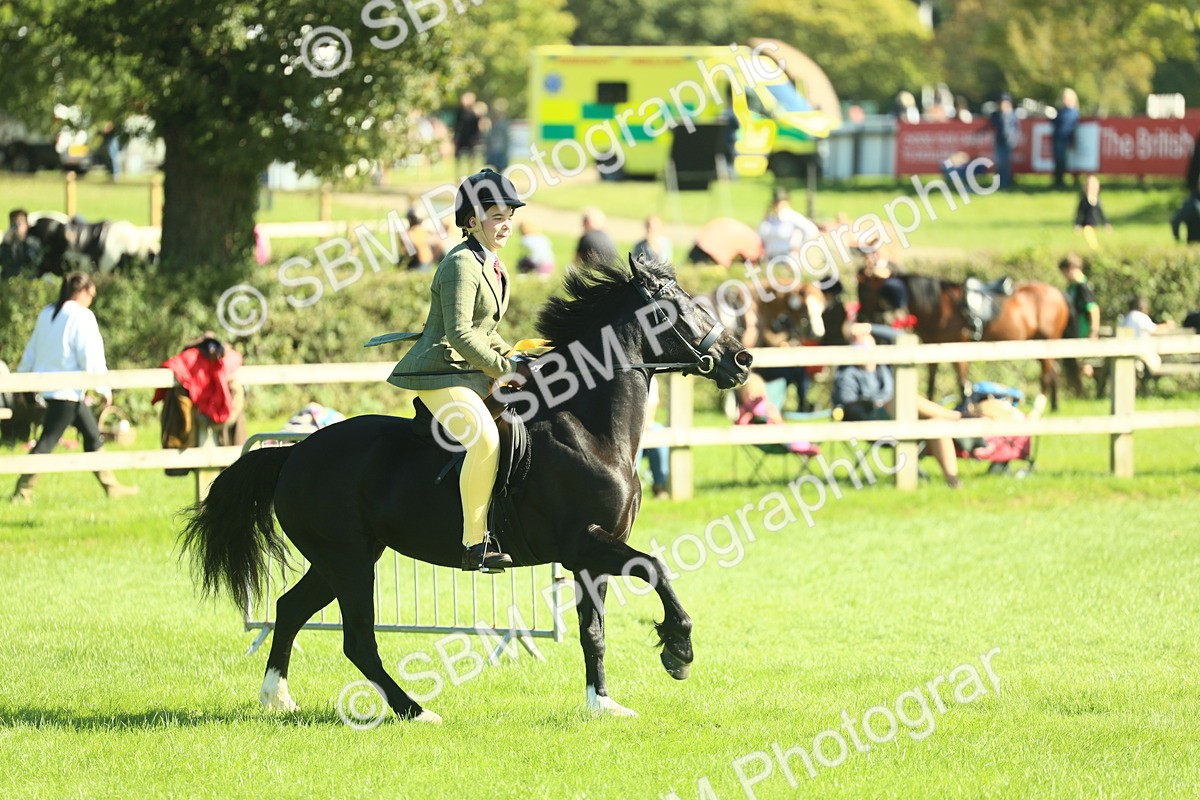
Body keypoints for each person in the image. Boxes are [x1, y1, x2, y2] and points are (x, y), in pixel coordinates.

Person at [388, 169, 527, 572]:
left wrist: (520, 361)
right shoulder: (461, 264)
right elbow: (461, 334)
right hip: (440, 372)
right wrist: (504, 369)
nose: (506, 225)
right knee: (484, 438)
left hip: (466, 371)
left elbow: (488, 331)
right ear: (471, 221)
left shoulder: (493, 264)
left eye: (509, 217)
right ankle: (474, 544)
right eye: (497, 216)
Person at [11, 272, 138, 503]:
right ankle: (22, 491)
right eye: (92, 294)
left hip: (51, 389)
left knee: (92, 436)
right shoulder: (82, 316)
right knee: (47, 441)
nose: (92, 299)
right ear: (81, 292)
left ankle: (111, 487)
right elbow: (91, 356)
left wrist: (21, 380)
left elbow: (32, 350)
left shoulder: (47, 313)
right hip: (67, 391)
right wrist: (103, 388)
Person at [831, 327, 962, 488]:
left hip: (904, 415)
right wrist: (873, 404)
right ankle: (957, 418)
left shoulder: (885, 366)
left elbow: (902, 338)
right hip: (873, 420)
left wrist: (871, 327)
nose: (865, 352)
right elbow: (847, 405)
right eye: (859, 347)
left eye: (868, 346)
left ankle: (953, 481)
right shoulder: (848, 374)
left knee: (936, 423)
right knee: (906, 398)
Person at [1059, 254, 1100, 379]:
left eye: (1064, 273)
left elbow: (1093, 309)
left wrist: (1094, 332)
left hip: (1083, 330)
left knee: (1084, 366)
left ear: (1071, 268)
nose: (1064, 277)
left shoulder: (1083, 287)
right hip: (1074, 331)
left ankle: (1089, 393)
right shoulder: (1072, 287)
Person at [758, 188, 819, 261]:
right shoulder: (769, 218)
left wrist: (800, 246)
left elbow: (811, 230)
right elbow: (761, 234)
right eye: (777, 203)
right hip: (769, 257)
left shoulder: (792, 216)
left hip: (786, 257)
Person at [635, 375, 669, 499]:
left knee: (659, 433)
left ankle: (660, 485)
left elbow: (652, 406)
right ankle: (631, 480)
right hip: (630, 426)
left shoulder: (652, 380)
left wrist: (645, 426)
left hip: (647, 426)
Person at [0, 209, 43, 279]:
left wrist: (23, 240)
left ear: (27, 225)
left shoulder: (33, 242)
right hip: (9, 282)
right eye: (14, 224)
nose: (17, 226)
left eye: (21, 223)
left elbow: (32, 262)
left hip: (28, 281)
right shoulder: (8, 243)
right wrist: (6, 244)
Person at [1051, 89, 1080, 189]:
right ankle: (1058, 180)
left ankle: (1060, 181)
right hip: (1059, 138)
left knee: (1061, 161)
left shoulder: (1071, 112)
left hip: (1064, 138)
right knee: (1058, 161)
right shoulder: (1061, 111)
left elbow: (1063, 123)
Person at [990, 93, 1019, 190]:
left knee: (1005, 164)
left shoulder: (1012, 115)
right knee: (999, 163)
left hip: (1008, 142)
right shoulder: (996, 115)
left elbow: (1015, 128)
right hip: (999, 141)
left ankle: (1005, 183)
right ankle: (999, 183)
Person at [1074, 174, 1111, 250]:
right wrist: (1078, 224)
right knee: (1090, 238)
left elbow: (1101, 213)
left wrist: (1105, 223)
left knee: (1094, 236)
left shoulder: (1097, 200)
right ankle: (1094, 248)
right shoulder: (1084, 201)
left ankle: (1096, 249)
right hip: (1086, 225)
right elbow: (1080, 213)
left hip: (1094, 225)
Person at [452, 92, 481, 168]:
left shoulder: (475, 113)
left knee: (471, 156)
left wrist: (476, 138)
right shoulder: (459, 112)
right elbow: (456, 125)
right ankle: (458, 174)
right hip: (461, 137)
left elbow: (476, 127)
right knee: (458, 157)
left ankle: (470, 173)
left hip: (471, 137)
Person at [484, 99, 511, 173]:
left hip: (500, 149)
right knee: (494, 166)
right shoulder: (492, 124)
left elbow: (506, 138)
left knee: (501, 167)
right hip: (493, 149)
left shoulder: (503, 124)